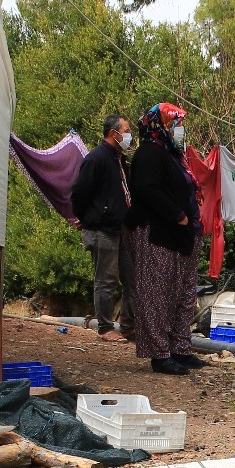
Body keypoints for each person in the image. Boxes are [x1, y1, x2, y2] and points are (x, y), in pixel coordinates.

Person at [127, 103, 205, 376]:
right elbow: (148, 190)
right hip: (158, 233)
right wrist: (177, 216)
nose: (179, 130)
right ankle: (160, 354)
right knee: (157, 293)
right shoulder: (149, 153)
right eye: (175, 124)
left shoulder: (172, 154)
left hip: (183, 235)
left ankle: (180, 349)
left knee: (184, 293)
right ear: (160, 125)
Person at [69, 115, 138, 343]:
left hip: (122, 229)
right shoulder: (97, 158)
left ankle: (129, 325)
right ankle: (106, 327)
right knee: (106, 280)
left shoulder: (119, 160)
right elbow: (80, 192)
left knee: (133, 278)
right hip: (103, 229)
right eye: (126, 130)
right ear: (113, 132)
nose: (129, 135)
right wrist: (88, 217)